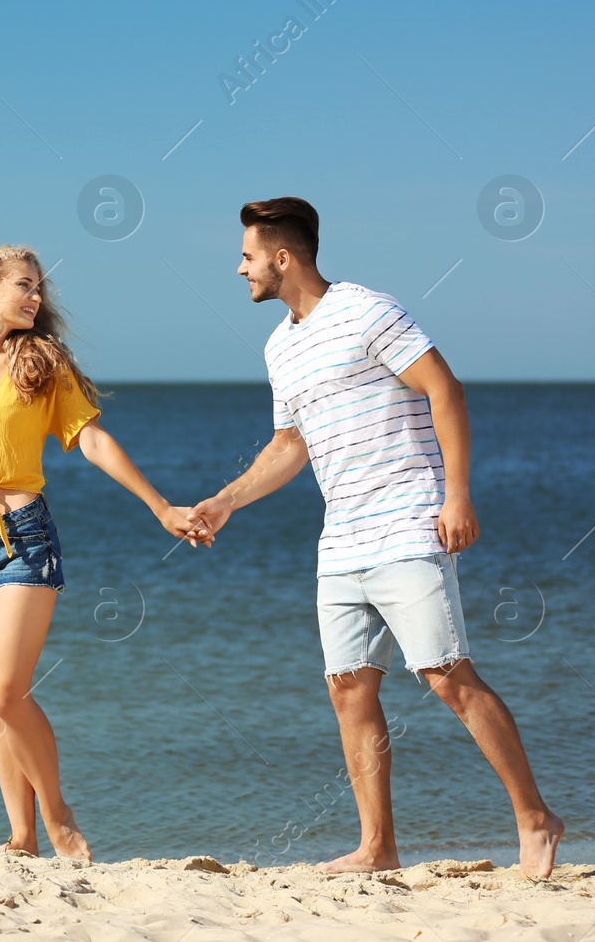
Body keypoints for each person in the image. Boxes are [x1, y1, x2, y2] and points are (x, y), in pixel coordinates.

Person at [187, 197, 563, 879]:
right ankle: (377, 846)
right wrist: (226, 501)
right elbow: (287, 445)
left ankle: (536, 817)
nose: (238, 268)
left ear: (282, 257)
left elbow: (444, 389)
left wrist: (457, 493)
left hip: (408, 521)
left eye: (246, 256)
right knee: (348, 688)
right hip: (342, 542)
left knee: (447, 675)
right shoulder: (280, 345)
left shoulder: (367, 310)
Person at [0, 244, 207, 861]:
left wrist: (159, 507)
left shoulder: (43, 362)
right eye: (25, 284)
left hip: (24, 538)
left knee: (6, 692)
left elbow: (92, 439)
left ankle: (58, 814)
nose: (36, 297)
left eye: (39, 288)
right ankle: (19, 840)